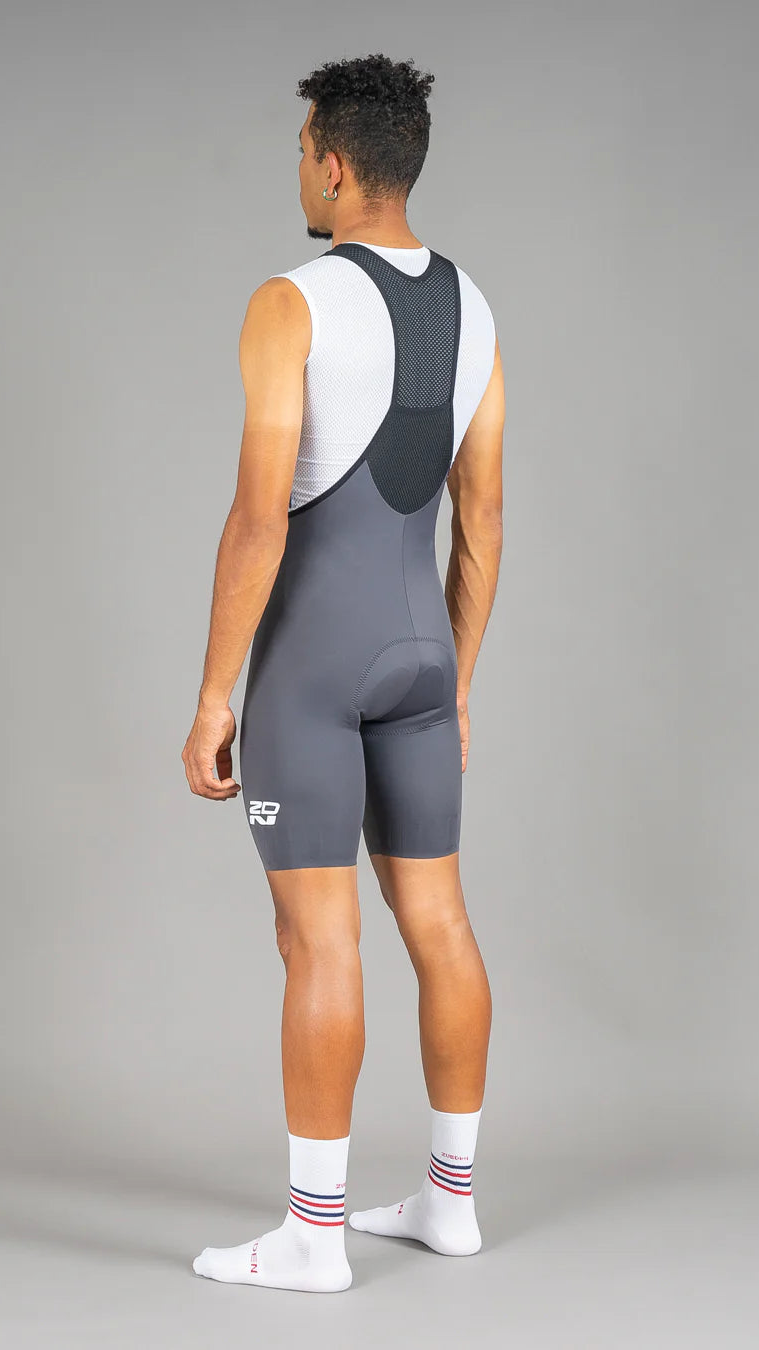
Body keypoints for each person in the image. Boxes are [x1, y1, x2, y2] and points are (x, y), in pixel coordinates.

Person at [181, 52, 504, 1293]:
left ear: (329, 163)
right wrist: (455, 682)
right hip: (423, 653)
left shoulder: (292, 301)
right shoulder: (476, 308)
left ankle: (315, 1236)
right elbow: (483, 518)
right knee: (442, 924)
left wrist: (216, 695)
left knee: (319, 943)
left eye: (301, 149)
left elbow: (260, 518)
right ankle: (450, 1204)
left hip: (316, 664)